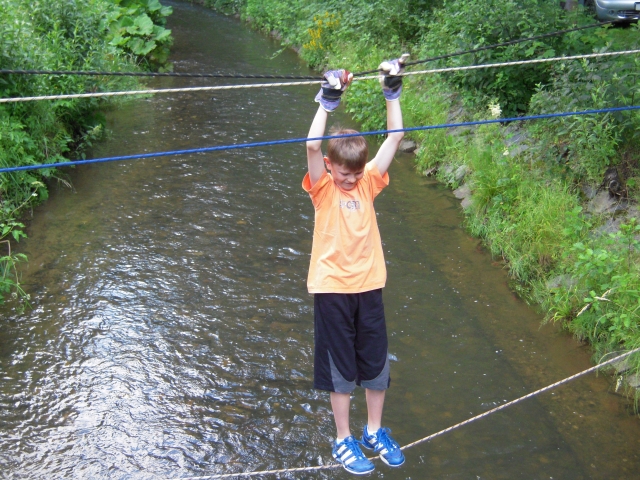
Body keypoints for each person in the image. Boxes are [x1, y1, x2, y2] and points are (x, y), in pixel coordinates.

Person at [302, 55, 408, 475]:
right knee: (340, 369)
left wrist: (391, 92)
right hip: (332, 289)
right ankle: (343, 438)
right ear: (331, 168)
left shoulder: (367, 182)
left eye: (356, 174)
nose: (350, 180)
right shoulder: (323, 188)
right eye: (344, 174)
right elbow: (312, 146)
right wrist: (327, 101)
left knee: (376, 363)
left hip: (369, 286)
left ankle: (374, 431)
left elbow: (395, 137)